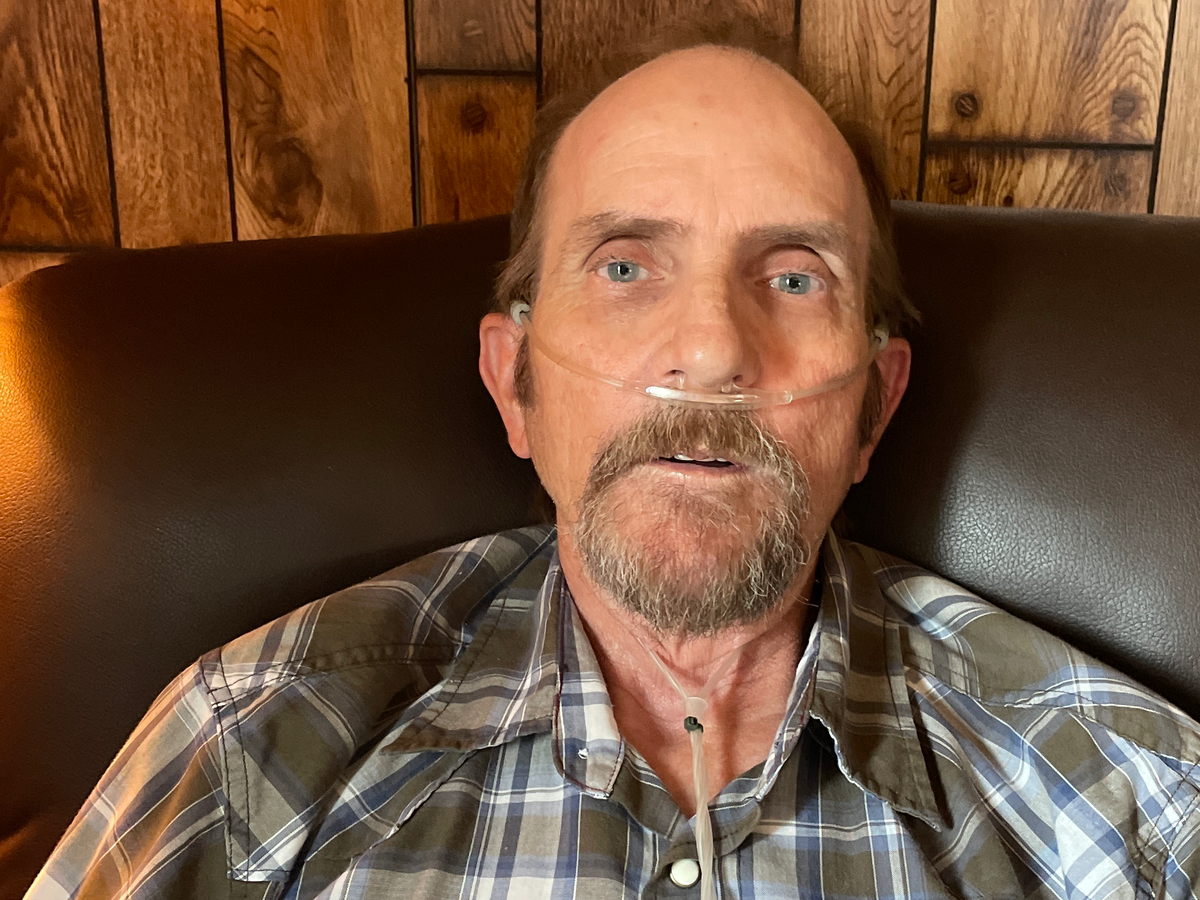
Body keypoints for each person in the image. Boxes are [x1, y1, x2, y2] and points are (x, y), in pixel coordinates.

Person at [27, 18, 1200, 900]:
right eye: (627, 265)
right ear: (514, 385)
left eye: (795, 276)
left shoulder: (1128, 805)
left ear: (874, 411)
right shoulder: (250, 753)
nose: (712, 348)